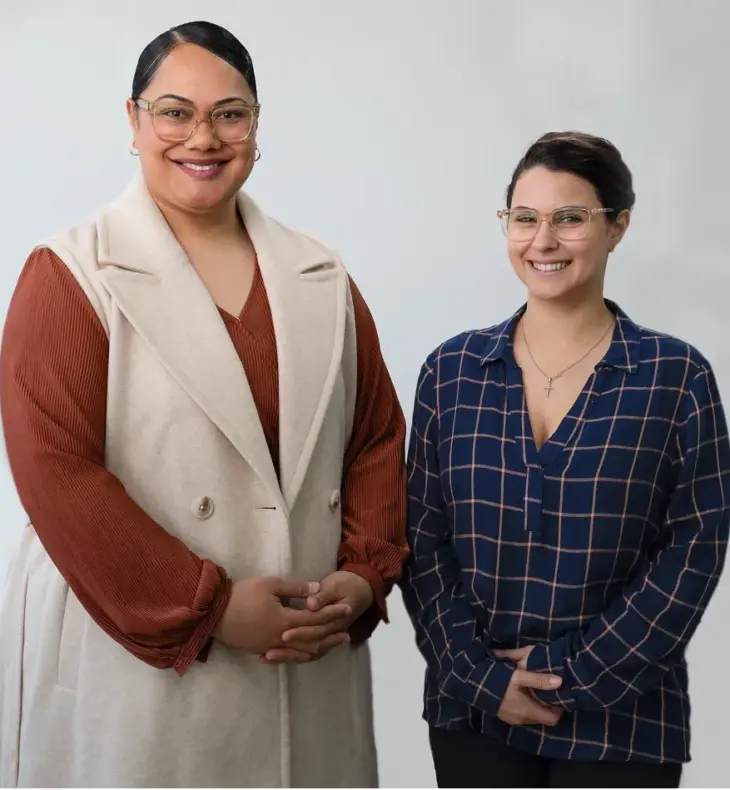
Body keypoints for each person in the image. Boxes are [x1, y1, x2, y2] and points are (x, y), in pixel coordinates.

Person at [0, 20, 407, 788]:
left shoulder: (323, 275)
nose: (204, 137)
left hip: (308, 653)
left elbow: (375, 439)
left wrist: (363, 576)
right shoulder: (70, 274)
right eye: (175, 112)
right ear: (133, 121)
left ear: (256, 125)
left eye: (230, 114)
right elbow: (57, 476)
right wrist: (209, 607)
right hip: (140, 670)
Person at [400, 131, 730, 789]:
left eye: (570, 218)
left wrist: (571, 672)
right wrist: (479, 676)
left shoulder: (675, 376)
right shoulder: (452, 371)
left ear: (617, 227)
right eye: (525, 218)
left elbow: (694, 550)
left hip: (623, 723)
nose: (542, 241)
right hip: (475, 714)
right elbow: (421, 540)